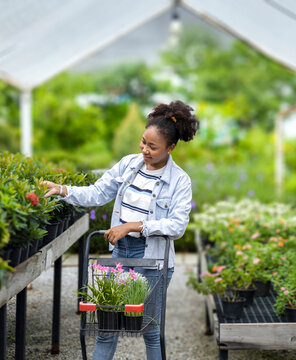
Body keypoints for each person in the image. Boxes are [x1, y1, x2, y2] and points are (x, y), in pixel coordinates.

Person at [43, 100, 199, 360]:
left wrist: (133, 226)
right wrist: (63, 190)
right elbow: (97, 192)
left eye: (152, 147)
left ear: (170, 148)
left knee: (149, 329)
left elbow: (178, 225)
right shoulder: (129, 165)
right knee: (107, 327)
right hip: (121, 254)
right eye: (143, 142)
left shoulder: (179, 181)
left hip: (153, 261)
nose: (144, 150)